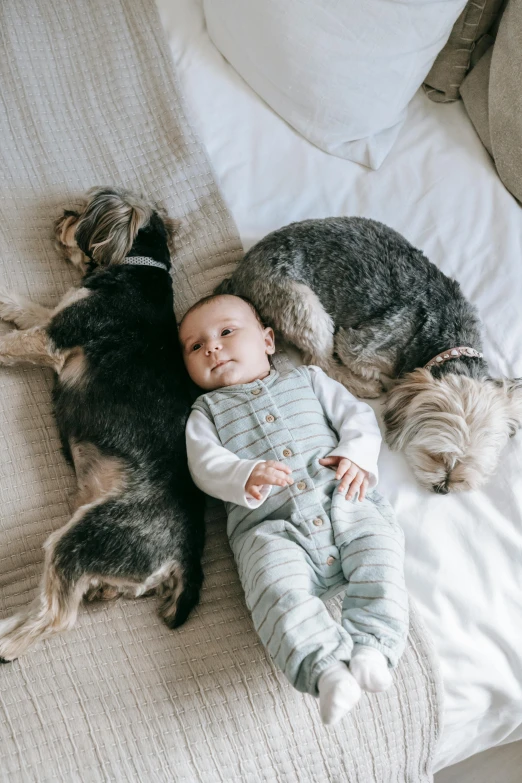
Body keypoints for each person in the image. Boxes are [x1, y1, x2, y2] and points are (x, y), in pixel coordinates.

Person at [180, 294, 409, 725]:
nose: (212, 347)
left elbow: (356, 417)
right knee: (273, 592)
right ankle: (325, 671)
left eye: (226, 332)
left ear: (268, 340)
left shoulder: (307, 379)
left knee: (381, 554)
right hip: (269, 528)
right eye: (195, 346)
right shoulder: (205, 412)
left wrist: (357, 456)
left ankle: (374, 647)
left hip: (343, 498)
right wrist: (242, 474)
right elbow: (204, 465)